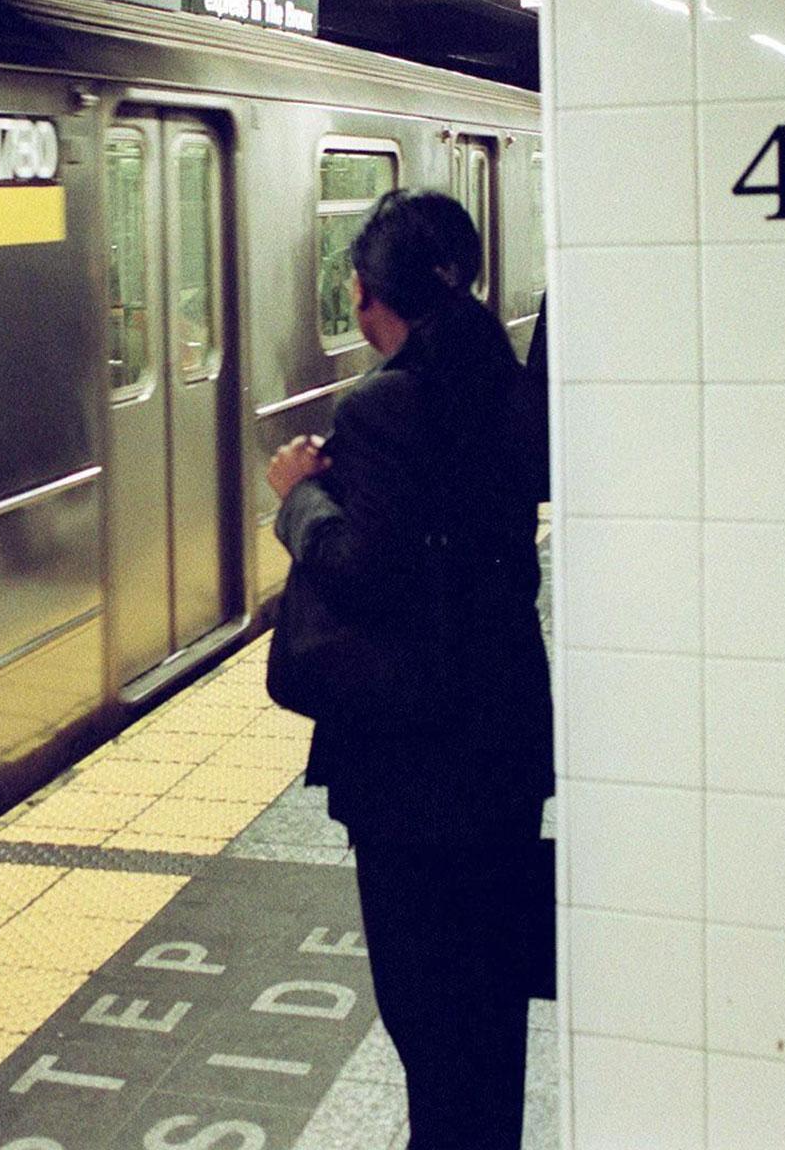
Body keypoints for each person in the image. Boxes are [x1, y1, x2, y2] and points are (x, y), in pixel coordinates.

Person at [266, 190, 553, 1150]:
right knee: (490, 1013)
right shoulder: (507, 385)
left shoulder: (386, 407)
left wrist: (299, 498)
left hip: (416, 770)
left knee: (430, 1020)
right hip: (505, 747)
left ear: (363, 294)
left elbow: (367, 570)